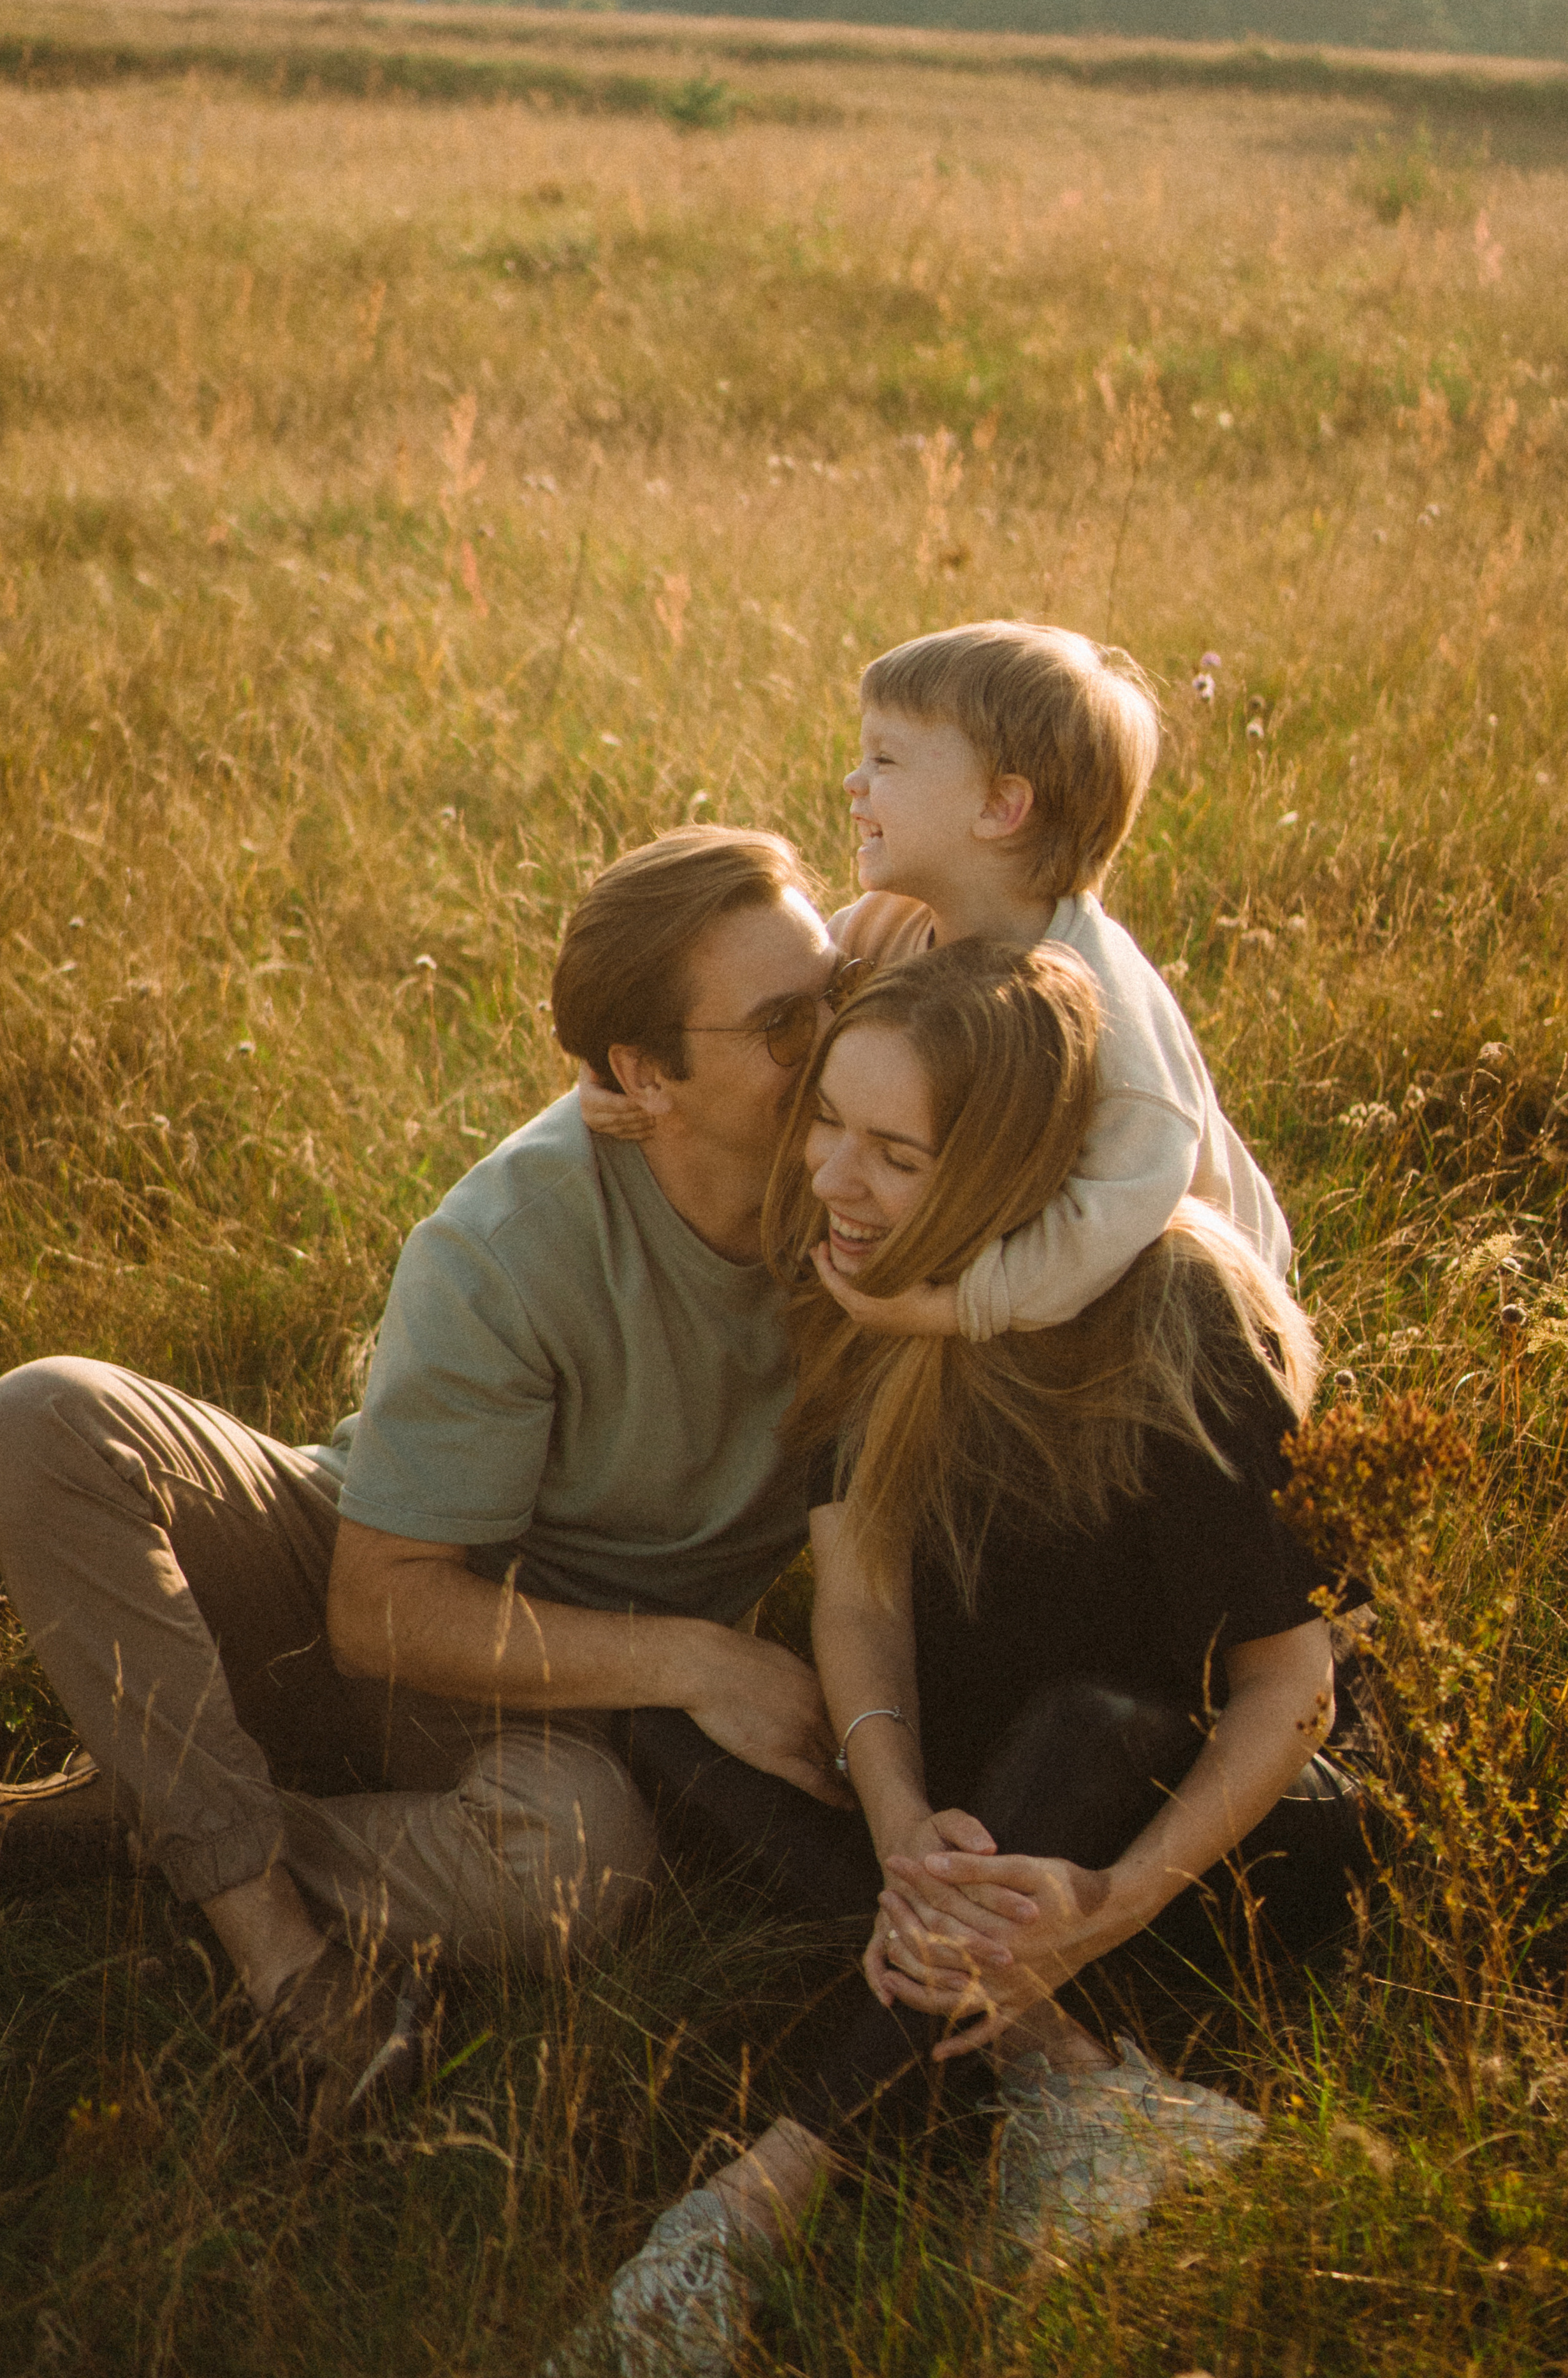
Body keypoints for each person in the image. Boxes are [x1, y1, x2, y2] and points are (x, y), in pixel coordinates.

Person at [0, 827, 858, 2120]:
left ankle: (162, 1813)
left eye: (842, 993)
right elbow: (378, 1606)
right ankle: (274, 1948)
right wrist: (706, 1663)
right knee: (43, 1415)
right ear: (642, 1075)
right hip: (366, 1562)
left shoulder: (872, 1185)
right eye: (784, 1027)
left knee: (581, 1871)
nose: (832, 1043)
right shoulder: (511, 1237)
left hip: (554, 1693)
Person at [553, 940, 1369, 2377]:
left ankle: (741, 2215)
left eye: (891, 1154)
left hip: (1220, 1814)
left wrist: (1107, 1903)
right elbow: (856, 1596)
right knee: (667, 1730)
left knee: (1078, 1721)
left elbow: (1288, 1693)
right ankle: (1062, 2069)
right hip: (995, 1827)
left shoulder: (1177, 1322)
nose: (829, 1179)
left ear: (1002, 1175)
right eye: (827, 1125)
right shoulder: (861, 1287)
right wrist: (897, 1819)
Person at [581, 619, 1289, 1349]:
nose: (853, 783)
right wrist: (626, 1062)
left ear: (999, 808)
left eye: (885, 759)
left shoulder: (1103, 996)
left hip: (1193, 1325)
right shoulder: (890, 926)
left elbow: (1124, 1206)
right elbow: (757, 998)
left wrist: (963, 1307)